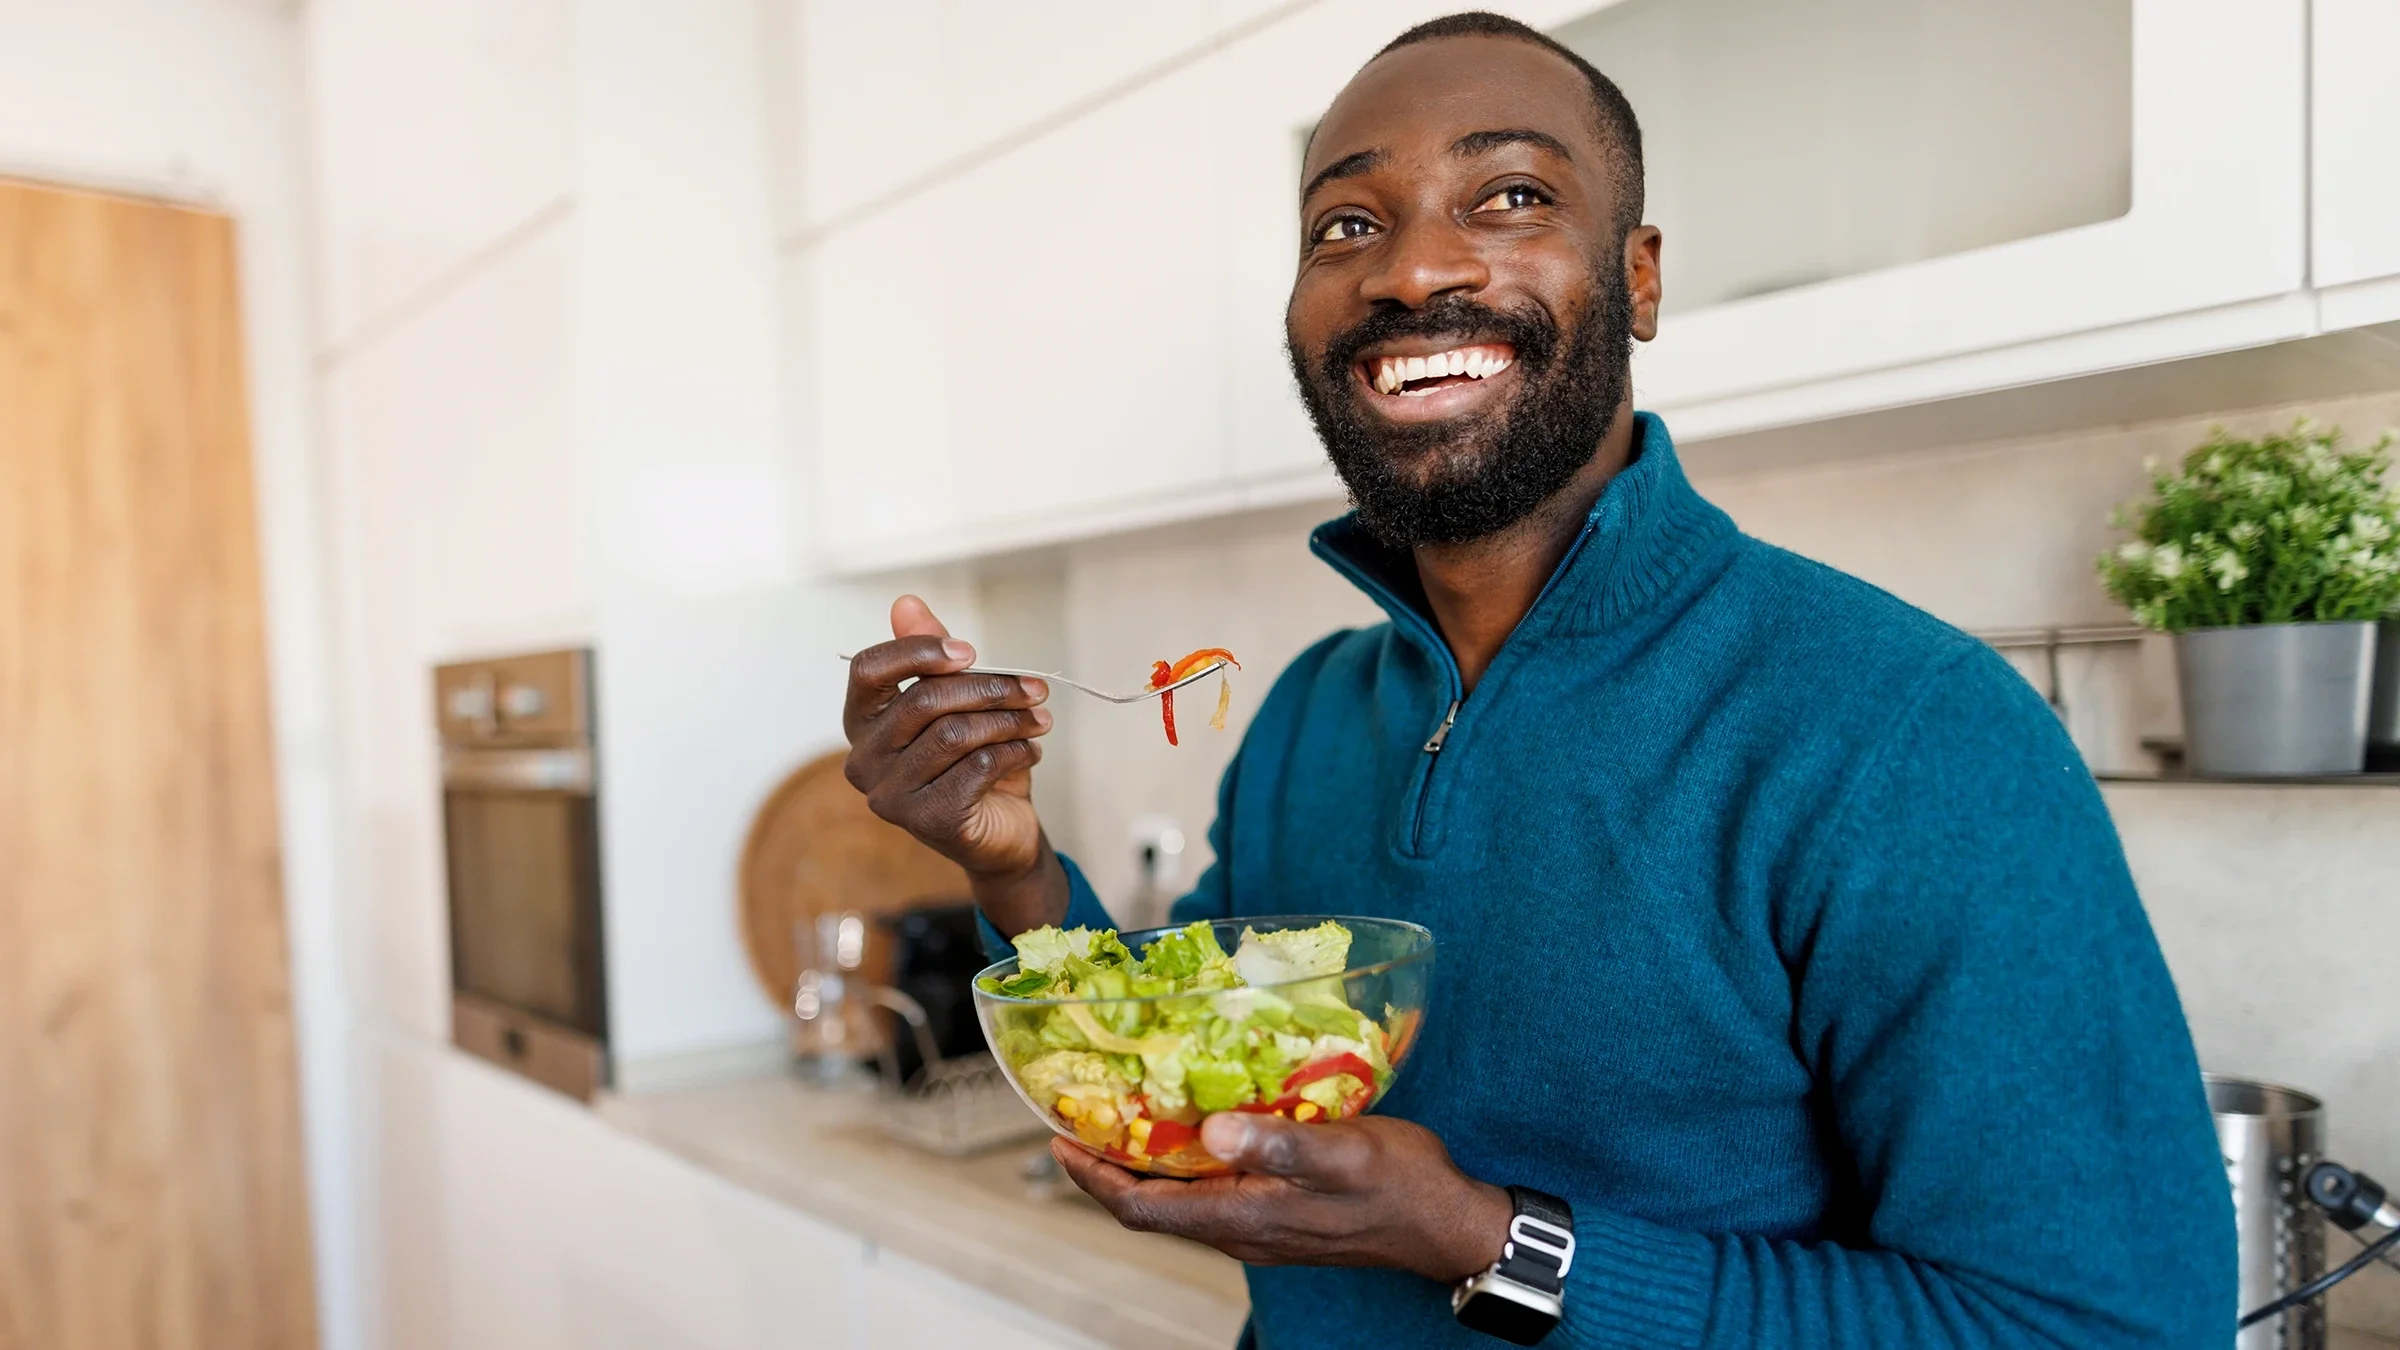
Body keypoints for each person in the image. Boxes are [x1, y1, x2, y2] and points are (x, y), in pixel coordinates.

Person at [840, 12, 2233, 1347]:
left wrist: (1485, 1239)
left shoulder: (1912, 734)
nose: (1410, 271)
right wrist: (1010, 862)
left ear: (1638, 276)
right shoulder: (1307, 716)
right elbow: (1170, 1055)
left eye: (1507, 196)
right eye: (1346, 223)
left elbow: (2106, 1324)